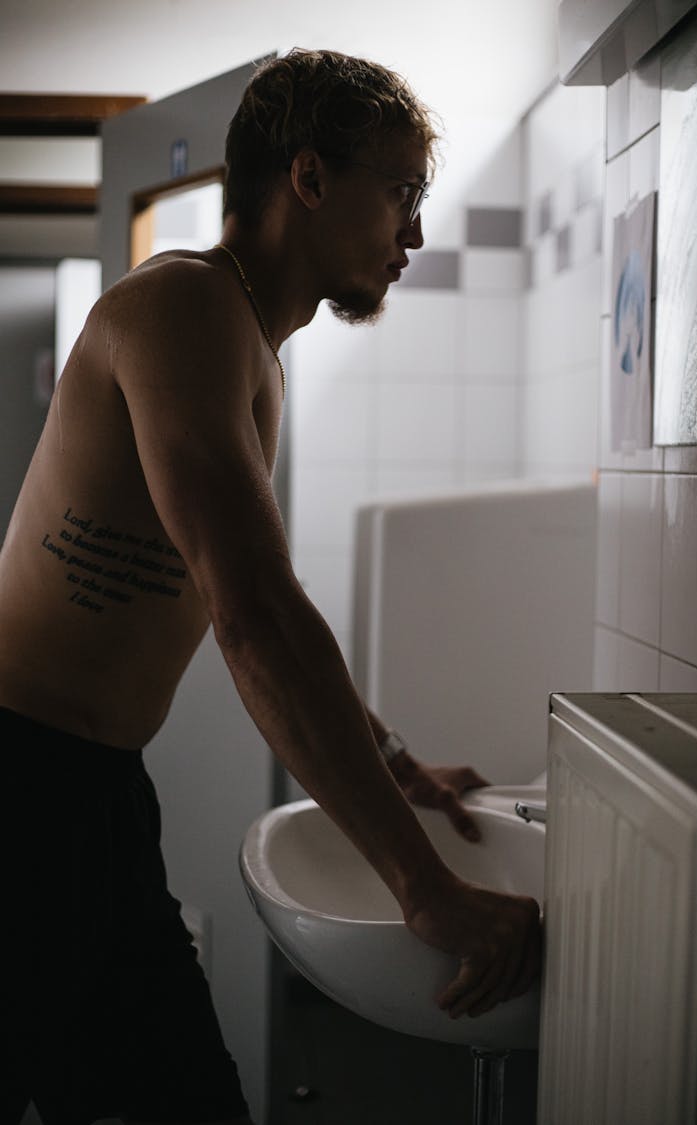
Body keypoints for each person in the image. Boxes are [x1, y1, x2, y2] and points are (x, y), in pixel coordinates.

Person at [0, 49, 542, 1125]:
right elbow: (254, 613)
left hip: (89, 792)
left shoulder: (244, 342)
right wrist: (419, 884)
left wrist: (393, 763)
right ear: (308, 179)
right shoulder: (184, 310)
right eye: (400, 191)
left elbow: (241, 611)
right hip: (23, 787)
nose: (415, 233)